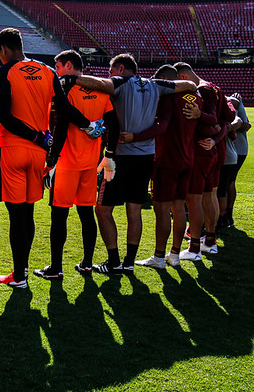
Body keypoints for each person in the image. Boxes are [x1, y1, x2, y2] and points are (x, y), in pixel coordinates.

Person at [0, 28, 103, 289]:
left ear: (3, 50)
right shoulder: (48, 71)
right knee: (27, 213)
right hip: (39, 155)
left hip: (14, 149)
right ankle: (23, 270)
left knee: (16, 215)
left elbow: (2, 115)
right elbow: (64, 108)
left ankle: (19, 275)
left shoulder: (3, 72)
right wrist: (87, 124)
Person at [72, 54, 197, 274]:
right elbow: (189, 83)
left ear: (120, 68)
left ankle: (113, 261)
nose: (109, 75)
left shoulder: (120, 82)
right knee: (134, 209)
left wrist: (71, 78)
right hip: (146, 156)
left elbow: (100, 83)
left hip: (120, 156)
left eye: (111, 70)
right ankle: (129, 262)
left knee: (102, 209)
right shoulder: (155, 85)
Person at [34, 49, 119, 279]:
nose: (57, 70)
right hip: (90, 165)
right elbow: (114, 125)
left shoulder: (67, 88)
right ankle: (87, 264)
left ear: (69, 65)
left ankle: (55, 268)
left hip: (67, 163)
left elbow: (61, 126)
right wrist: (108, 153)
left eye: (58, 66)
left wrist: (51, 161)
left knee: (59, 216)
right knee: (86, 215)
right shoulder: (101, 90)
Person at [126, 65, 206, 269]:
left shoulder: (169, 98)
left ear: (165, 80)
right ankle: (175, 255)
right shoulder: (196, 98)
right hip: (187, 159)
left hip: (167, 160)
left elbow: (162, 125)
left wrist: (135, 136)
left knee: (162, 210)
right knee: (178, 208)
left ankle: (159, 257)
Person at [174, 62, 236, 257]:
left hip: (202, 150)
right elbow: (229, 116)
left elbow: (213, 118)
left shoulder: (201, 90)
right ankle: (210, 240)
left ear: (182, 78)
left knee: (195, 198)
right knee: (210, 195)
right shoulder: (214, 87)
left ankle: (197, 245)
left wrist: (201, 116)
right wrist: (217, 138)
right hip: (214, 150)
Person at [222, 93, 251, 227]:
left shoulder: (230, 101)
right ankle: (227, 215)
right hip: (238, 148)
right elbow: (247, 124)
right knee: (229, 182)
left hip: (236, 148)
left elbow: (245, 124)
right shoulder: (234, 102)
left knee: (228, 182)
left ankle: (226, 216)